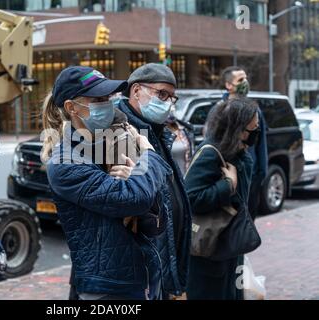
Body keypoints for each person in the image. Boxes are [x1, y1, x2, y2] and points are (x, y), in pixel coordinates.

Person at [42, 66, 177, 300]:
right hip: (107, 289)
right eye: (98, 99)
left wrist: (138, 180)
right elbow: (133, 199)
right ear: (71, 108)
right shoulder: (65, 163)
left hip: (140, 277)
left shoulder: (112, 145)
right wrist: (149, 154)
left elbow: (155, 220)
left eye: (108, 97)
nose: (107, 104)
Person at [117, 63, 192, 298]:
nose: (168, 102)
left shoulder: (157, 130)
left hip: (161, 262)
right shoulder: (119, 132)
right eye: (162, 94)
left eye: (172, 97)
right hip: (140, 268)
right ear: (136, 91)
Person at [184, 98, 260, 300]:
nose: (256, 129)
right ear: (238, 128)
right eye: (252, 126)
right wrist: (227, 186)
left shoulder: (240, 151)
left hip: (230, 244)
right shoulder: (211, 153)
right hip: (209, 248)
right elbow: (191, 197)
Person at [219, 66, 268, 221]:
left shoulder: (254, 110)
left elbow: (261, 144)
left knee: (247, 224)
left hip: (250, 176)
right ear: (228, 85)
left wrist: (261, 173)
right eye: (240, 79)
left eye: (245, 78)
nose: (245, 82)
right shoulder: (220, 109)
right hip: (227, 177)